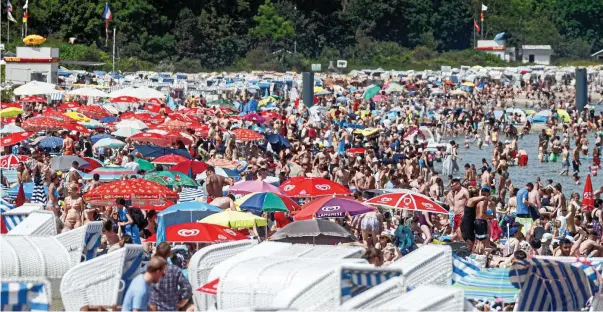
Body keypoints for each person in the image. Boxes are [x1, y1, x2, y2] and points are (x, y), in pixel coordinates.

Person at [149, 243, 193, 311]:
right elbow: (187, 288)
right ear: (169, 254)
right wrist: (181, 304)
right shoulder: (175, 270)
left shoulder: (151, 268)